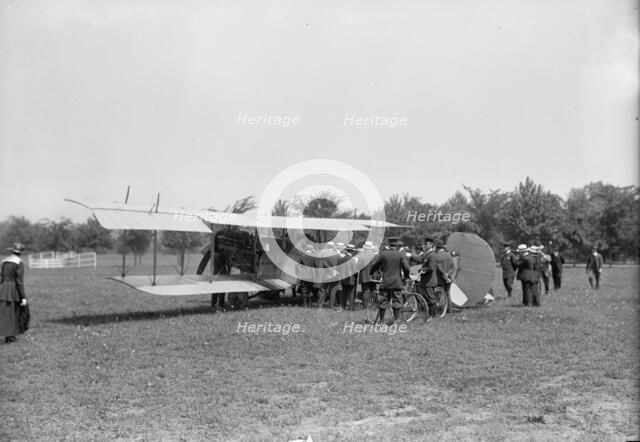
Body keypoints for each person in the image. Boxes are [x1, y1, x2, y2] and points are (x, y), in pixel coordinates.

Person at [369, 238, 410, 323]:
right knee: (397, 300)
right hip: (397, 281)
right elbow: (406, 267)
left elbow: (375, 265)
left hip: (386, 281)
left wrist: (371, 272)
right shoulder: (400, 255)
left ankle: (381, 320)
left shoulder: (383, 254)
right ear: (396, 245)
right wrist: (406, 276)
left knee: (383, 300)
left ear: (388, 244)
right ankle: (396, 319)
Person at [1, 243, 28, 344]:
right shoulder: (19, 262)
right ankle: (10, 337)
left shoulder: (4, 261)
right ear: (20, 253)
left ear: (12, 251)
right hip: (12, 289)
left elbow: (2, 277)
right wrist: (23, 297)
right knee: (13, 313)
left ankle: (10, 335)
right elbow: (19, 281)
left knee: (5, 312)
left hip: (3, 288)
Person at [416, 237, 438, 317]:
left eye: (426, 244)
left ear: (431, 245)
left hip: (429, 280)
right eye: (424, 243)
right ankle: (430, 315)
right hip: (425, 280)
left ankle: (432, 316)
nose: (424, 245)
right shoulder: (427, 254)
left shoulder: (432, 255)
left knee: (431, 299)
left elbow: (431, 268)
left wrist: (421, 269)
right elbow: (420, 260)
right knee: (427, 298)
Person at [358, 241, 379, 310]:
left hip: (364, 276)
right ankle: (374, 306)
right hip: (373, 276)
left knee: (365, 292)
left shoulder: (362, 256)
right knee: (373, 291)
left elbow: (358, 266)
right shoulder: (376, 256)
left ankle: (365, 307)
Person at [339, 244, 358, 310]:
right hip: (351, 278)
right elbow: (354, 270)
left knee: (344, 292)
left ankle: (343, 306)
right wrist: (356, 276)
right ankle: (350, 307)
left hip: (343, 277)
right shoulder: (352, 260)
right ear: (352, 251)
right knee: (351, 293)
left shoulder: (342, 259)